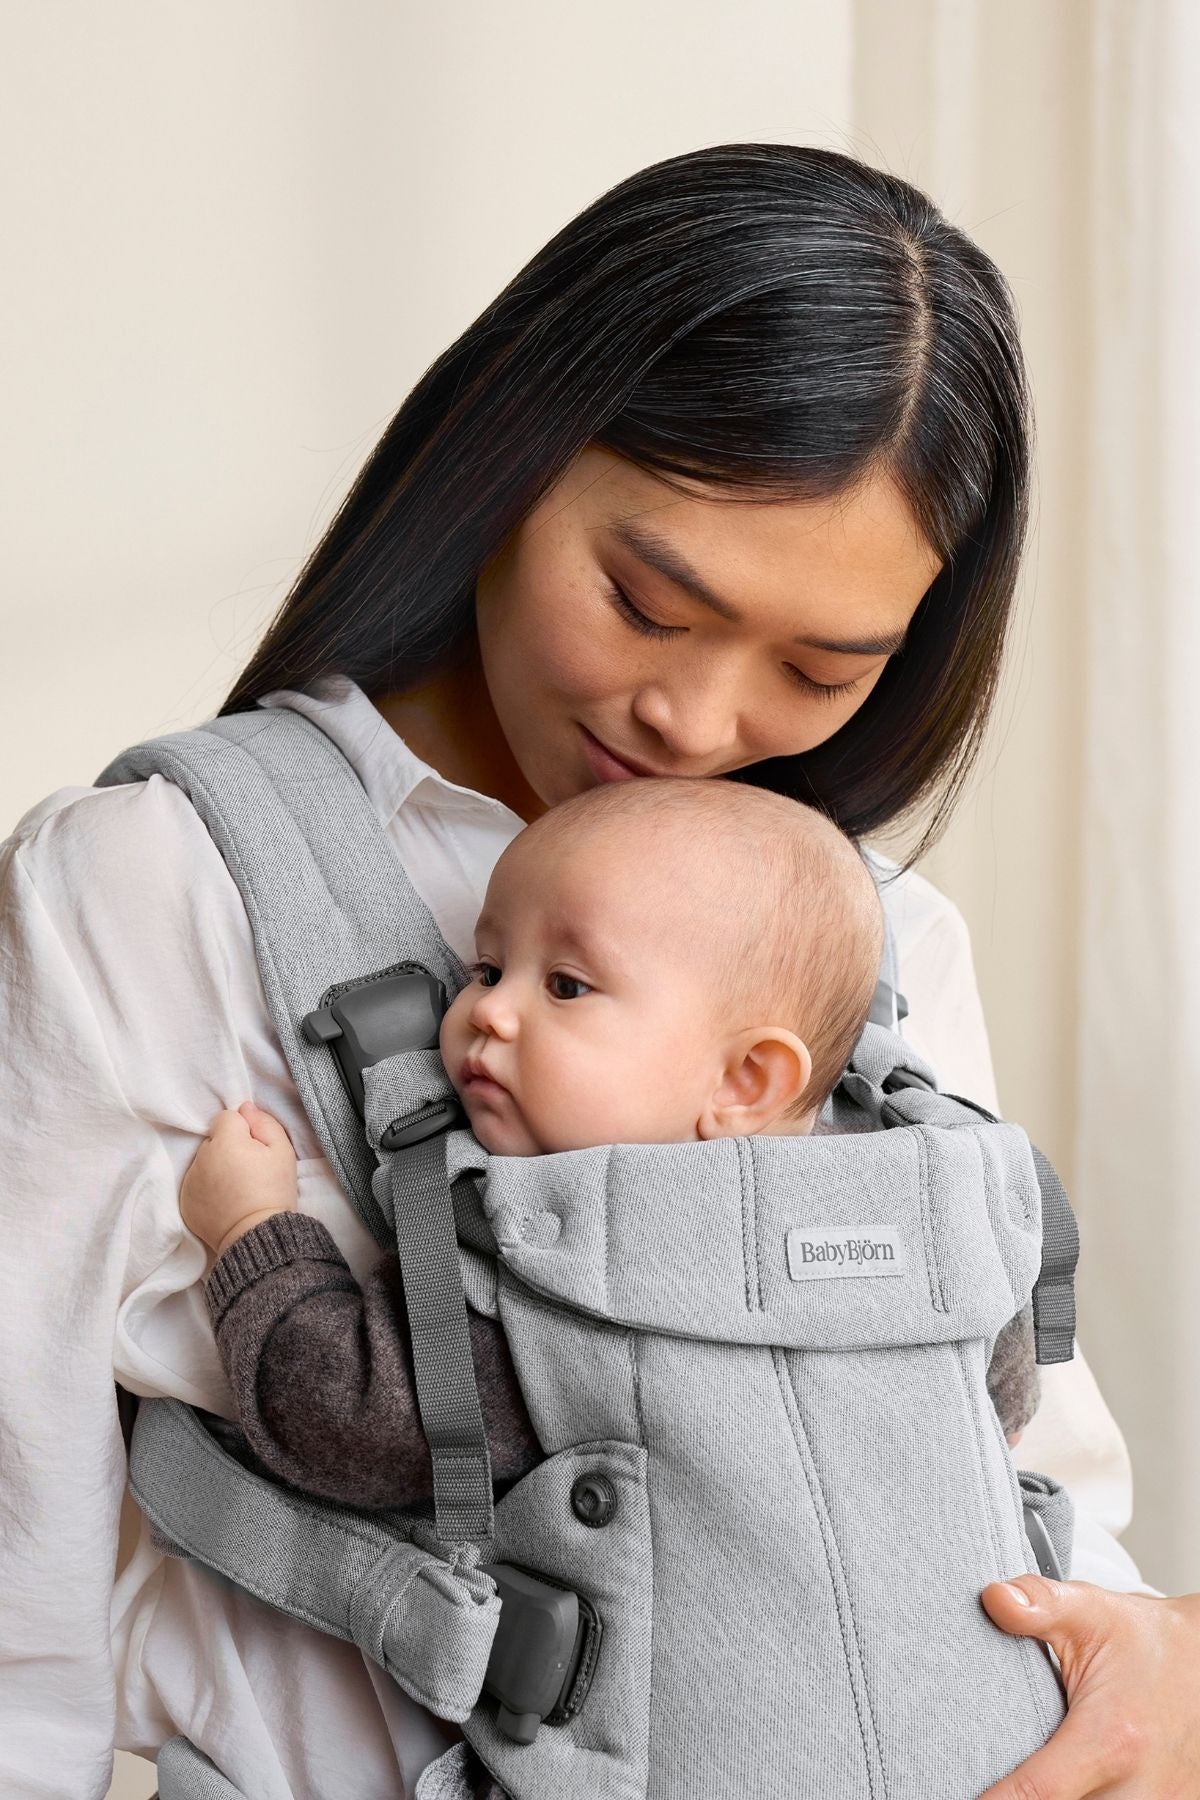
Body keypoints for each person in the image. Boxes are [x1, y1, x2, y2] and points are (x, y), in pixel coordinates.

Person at [1, 143, 1196, 1800]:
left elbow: (1039, 1488)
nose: (698, 725)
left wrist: (1163, 1676)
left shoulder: (885, 944)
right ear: (508, 458)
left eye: (819, 668)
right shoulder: (159, 884)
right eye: (645, 603)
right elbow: (23, 1539)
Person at [174, 777, 1039, 1532]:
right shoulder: (917, 1194)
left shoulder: (563, 1265)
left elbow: (349, 1420)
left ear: (744, 1080)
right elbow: (1004, 1382)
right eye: (485, 968)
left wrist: (250, 1229)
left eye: (566, 986)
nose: (488, 1013)